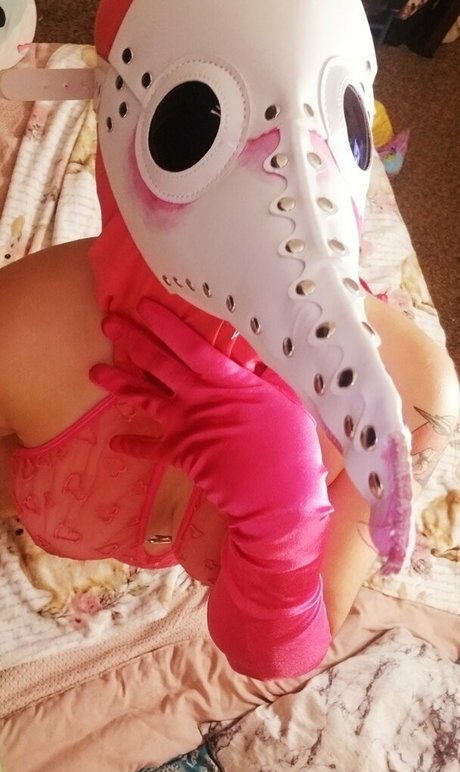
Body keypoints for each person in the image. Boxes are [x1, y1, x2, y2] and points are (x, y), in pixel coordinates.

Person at [0, 0, 458, 680]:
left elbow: (286, 649)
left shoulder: (410, 400)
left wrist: (283, 531)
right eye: (196, 123)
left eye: (342, 126)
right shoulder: (19, 328)